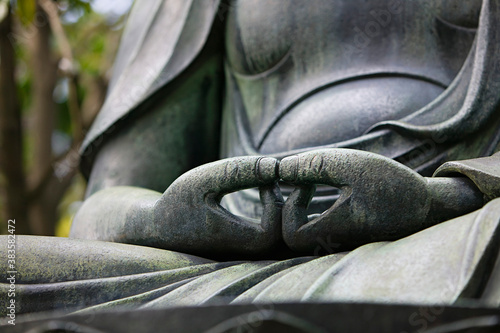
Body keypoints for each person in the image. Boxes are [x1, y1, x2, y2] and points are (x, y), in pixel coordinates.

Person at [2, 0, 500, 317]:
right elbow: (101, 207)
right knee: (9, 269)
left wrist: (445, 196)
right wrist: (161, 218)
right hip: (225, 263)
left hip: (463, 225)